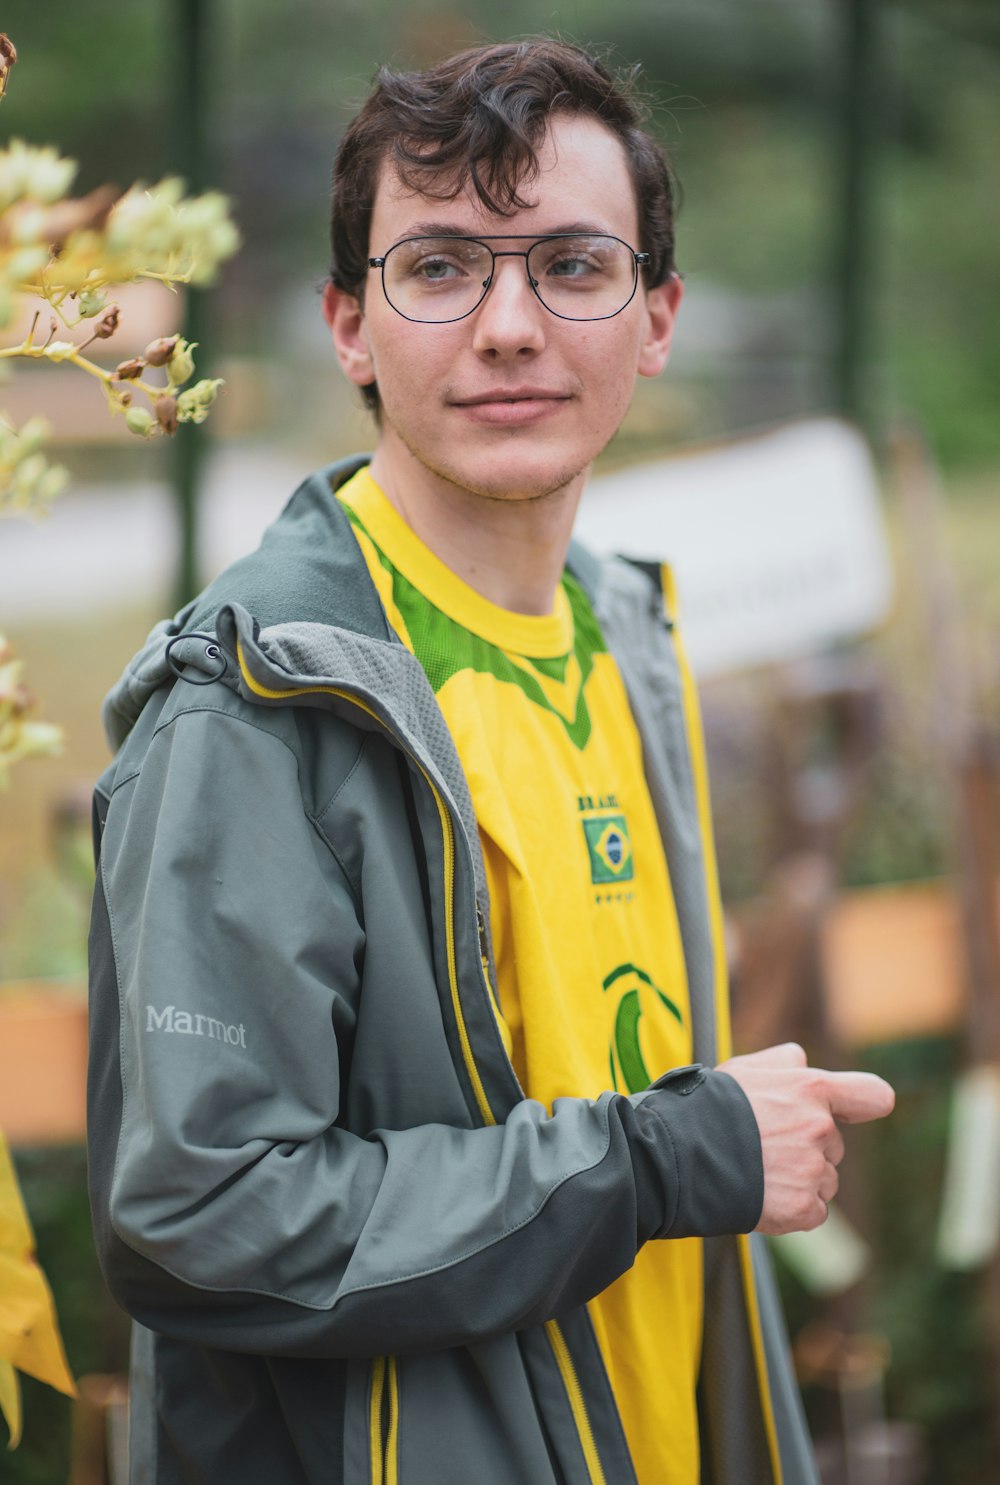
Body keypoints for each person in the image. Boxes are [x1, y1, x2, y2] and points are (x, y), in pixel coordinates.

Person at [87, 38, 894, 1485]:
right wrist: (664, 1160)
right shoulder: (253, 705)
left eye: (574, 266)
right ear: (349, 325)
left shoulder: (626, 636)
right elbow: (199, 1219)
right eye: (443, 267)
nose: (510, 325)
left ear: (658, 318)